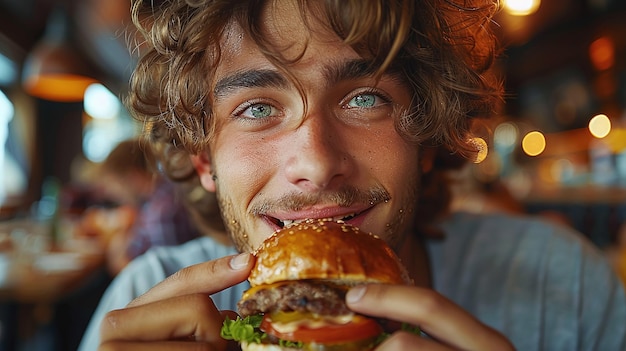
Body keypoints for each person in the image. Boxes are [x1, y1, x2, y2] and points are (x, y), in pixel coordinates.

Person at [79, 0, 626, 350]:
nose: (316, 164)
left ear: (429, 135)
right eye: (256, 108)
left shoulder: (567, 289)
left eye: (366, 98)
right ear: (204, 160)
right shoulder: (143, 305)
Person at [78, 139, 201, 275]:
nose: (113, 194)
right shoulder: (157, 198)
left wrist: (118, 258)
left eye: (115, 184)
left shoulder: (160, 213)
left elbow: (165, 276)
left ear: (133, 177)